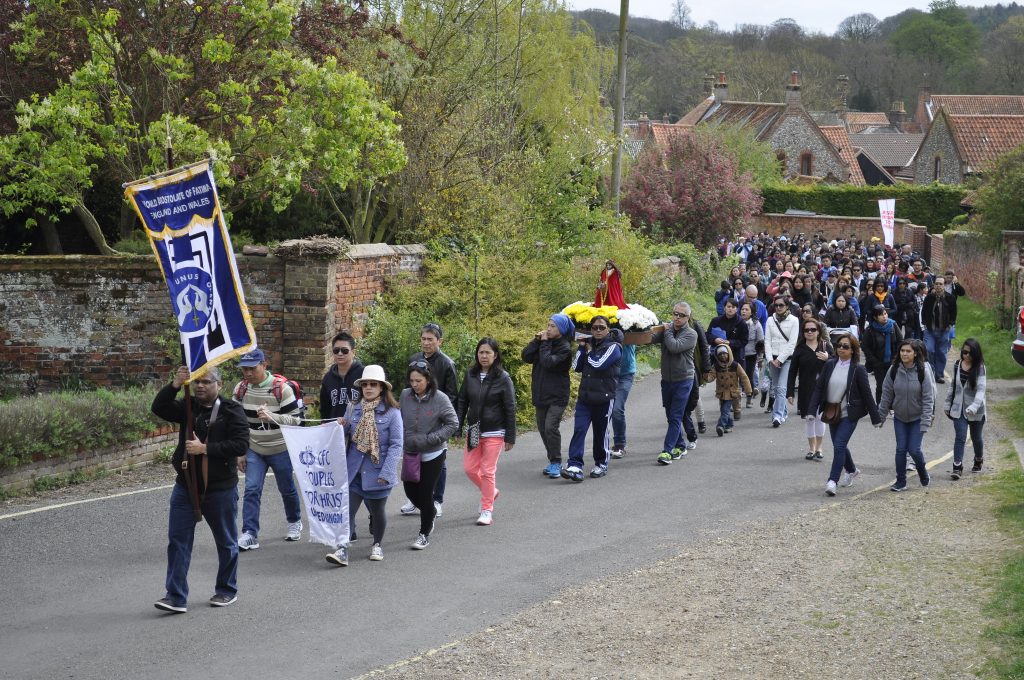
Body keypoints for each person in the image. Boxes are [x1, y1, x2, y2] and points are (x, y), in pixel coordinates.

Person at [151, 366, 249, 613]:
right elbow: (159, 407)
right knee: (178, 541)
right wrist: (175, 383)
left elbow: (240, 444)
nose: (201, 386)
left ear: (220, 384)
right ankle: (175, 596)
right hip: (186, 486)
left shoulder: (231, 410)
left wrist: (206, 448)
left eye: (206, 382)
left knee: (226, 542)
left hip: (220, 489)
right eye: (197, 382)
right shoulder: (188, 406)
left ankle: (226, 590)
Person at [327, 365, 403, 566]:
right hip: (353, 471)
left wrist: (387, 472)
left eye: (373, 384)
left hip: (378, 472)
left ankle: (377, 544)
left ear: (382, 388)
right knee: (347, 511)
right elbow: (346, 437)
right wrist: (341, 426)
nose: (368, 388)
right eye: (365, 385)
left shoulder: (392, 413)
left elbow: (396, 444)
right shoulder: (354, 407)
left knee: (377, 512)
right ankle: (342, 549)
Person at [234, 349, 304, 551]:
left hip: (280, 447)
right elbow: (238, 423)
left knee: (286, 488)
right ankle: (250, 533)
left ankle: (294, 521)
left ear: (264, 365)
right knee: (252, 489)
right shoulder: (240, 389)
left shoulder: (282, 389)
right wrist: (240, 452)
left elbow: (297, 421)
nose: (247, 373)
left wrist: (273, 417)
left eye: (252, 368)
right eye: (244, 369)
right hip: (254, 448)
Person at [807, 335, 881, 497]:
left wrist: (876, 418)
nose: (841, 348)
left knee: (839, 445)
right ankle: (852, 470)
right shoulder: (830, 365)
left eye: (845, 346)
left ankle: (832, 481)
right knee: (840, 445)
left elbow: (867, 395)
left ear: (853, 350)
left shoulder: (858, 369)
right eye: (839, 345)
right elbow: (819, 388)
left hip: (849, 414)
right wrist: (812, 411)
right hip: (831, 413)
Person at [400, 323, 458, 518]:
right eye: (423, 339)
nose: (426, 343)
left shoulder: (447, 363)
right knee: (413, 457)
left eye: (430, 339)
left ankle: (437, 499)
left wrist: (439, 416)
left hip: (438, 418)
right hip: (416, 416)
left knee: (438, 462)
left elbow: (452, 394)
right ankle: (415, 499)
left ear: (439, 341)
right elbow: (407, 387)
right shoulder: (414, 360)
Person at [399, 362, 458, 550]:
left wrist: (431, 439)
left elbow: (453, 423)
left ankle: (424, 533)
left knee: (425, 492)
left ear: (428, 380)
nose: (415, 384)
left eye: (419, 381)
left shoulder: (440, 398)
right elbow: (399, 419)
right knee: (410, 490)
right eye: (412, 381)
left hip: (433, 452)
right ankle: (430, 511)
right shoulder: (405, 395)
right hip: (410, 452)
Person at [457, 338, 516, 526]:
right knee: (469, 469)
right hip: (474, 430)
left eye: (488, 353)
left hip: (495, 432)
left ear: (495, 355)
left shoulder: (503, 378)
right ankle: (491, 491)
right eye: (481, 352)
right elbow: (462, 401)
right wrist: (458, 426)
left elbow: (510, 407)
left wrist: (510, 436)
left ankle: (486, 509)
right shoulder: (471, 375)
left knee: (487, 471)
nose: (483, 356)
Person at [562, 316, 622, 481]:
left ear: (608, 329)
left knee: (600, 433)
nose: (597, 331)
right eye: (594, 328)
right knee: (579, 430)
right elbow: (576, 367)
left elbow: (598, 364)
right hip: (585, 398)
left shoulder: (614, 347)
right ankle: (574, 465)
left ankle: (601, 464)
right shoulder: (589, 345)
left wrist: (588, 350)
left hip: (604, 398)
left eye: (601, 328)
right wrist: (581, 348)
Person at [878, 340, 935, 492]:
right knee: (901, 449)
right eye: (902, 350)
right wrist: (881, 416)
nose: (904, 353)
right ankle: (901, 481)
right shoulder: (894, 370)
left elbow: (929, 398)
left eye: (908, 351)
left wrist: (926, 421)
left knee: (914, 449)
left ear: (915, 353)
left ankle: (923, 472)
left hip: (918, 417)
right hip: (900, 417)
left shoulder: (923, 371)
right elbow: (886, 394)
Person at [522, 313, 574, 478]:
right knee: (543, 428)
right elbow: (526, 356)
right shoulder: (543, 342)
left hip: (558, 395)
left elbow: (547, 362)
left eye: (553, 326)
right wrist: (536, 341)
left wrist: (543, 343)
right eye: (548, 325)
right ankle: (552, 459)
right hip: (541, 392)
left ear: (562, 329)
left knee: (551, 426)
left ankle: (556, 462)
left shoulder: (565, 348)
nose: (548, 329)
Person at [651, 302, 697, 465]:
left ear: (688, 317)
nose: (677, 317)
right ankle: (680, 446)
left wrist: (667, 330)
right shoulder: (667, 331)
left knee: (676, 416)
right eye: (675, 313)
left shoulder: (691, 334)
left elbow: (674, 347)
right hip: (667, 380)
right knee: (670, 416)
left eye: (681, 315)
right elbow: (650, 338)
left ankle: (667, 451)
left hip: (684, 380)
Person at [787, 319, 833, 461]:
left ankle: (819, 448)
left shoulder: (825, 346)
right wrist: (790, 393)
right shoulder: (800, 349)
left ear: (819, 331)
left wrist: (828, 358)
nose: (810, 332)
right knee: (809, 419)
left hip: (824, 389)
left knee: (820, 418)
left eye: (813, 329)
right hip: (806, 389)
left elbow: (839, 363)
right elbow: (792, 371)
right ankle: (811, 448)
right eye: (807, 330)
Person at [944, 338, 987, 478]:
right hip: (958, 409)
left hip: (976, 411)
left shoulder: (980, 368)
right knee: (960, 437)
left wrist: (974, 406)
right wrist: (947, 404)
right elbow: (953, 386)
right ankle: (957, 466)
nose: (966, 356)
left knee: (976, 438)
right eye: (964, 352)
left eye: (970, 353)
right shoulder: (957, 365)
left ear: (975, 354)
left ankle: (978, 459)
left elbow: (981, 390)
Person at [707, 298, 748, 422]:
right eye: (728, 306)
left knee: (735, 385)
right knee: (721, 384)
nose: (730, 309)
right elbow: (707, 334)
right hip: (719, 358)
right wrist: (715, 339)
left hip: (735, 357)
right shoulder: (716, 320)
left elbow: (744, 341)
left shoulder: (741, 323)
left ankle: (737, 408)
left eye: (733, 307)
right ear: (724, 307)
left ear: (737, 309)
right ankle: (724, 411)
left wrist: (730, 342)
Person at [764, 295, 800, 428]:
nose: (778, 308)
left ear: (787, 306)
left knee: (781, 388)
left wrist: (780, 360)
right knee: (775, 387)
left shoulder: (794, 320)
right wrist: (770, 359)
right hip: (772, 358)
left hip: (787, 359)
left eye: (781, 305)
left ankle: (777, 415)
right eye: (776, 305)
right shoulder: (769, 320)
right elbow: (767, 340)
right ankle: (783, 411)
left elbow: (792, 343)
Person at [703, 344, 752, 437]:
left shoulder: (735, 365)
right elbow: (711, 377)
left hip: (732, 392)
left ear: (729, 353)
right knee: (723, 410)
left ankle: (720, 426)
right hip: (721, 392)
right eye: (720, 354)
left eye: (724, 353)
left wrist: (748, 390)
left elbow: (744, 377)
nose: (723, 356)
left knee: (725, 410)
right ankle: (729, 425)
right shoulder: (716, 366)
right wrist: (706, 377)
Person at [319, 331, 365, 420]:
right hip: (335, 428)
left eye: (344, 350)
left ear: (353, 352)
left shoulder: (363, 374)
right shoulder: (328, 378)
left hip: (358, 428)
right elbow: (324, 408)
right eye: (336, 350)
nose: (340, 354)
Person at [862, 306, 904, 403]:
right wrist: (874, 361)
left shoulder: (893, 325)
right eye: (881, 315)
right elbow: (864, 346)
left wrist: (896, 358)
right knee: (881, 386)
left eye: (885, 314)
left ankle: (892, 407)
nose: (884, 316)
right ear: (875, 317)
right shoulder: (870, 329)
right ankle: (879, 409)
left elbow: (900, 342)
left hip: (893, 361)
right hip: (878, 363)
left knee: (894, 385)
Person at [922, 275, 957, 384]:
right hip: (930, 330)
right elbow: (924, 311)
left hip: (944, 330)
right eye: (936, 284)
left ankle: (939, 375)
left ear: (944, 285)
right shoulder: (929, 297)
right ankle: (931, 372)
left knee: (941, 352)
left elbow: (954, 313)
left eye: (940, 284)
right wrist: (924, 323)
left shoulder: (950, 298)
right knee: (929, 349)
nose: (938, 286)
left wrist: (950, 324)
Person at [610, 341, 638, 459]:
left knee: (616, 409)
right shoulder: (603, 326)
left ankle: (619, 444)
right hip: (607, 374)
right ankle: (601, 444)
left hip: (625, 374)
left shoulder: (630, 324)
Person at [740, 301, 764, 407]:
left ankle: (749, 398)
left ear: (751, 312)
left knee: (748, 376)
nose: (744, 311)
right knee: (737, 376)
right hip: (738, 353)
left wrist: (760, 358)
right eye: (742, 309)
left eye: (747, 310)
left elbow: (760, 341)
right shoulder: (737, 322)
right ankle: (737, 400)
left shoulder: (756, 324)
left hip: (751, 354)